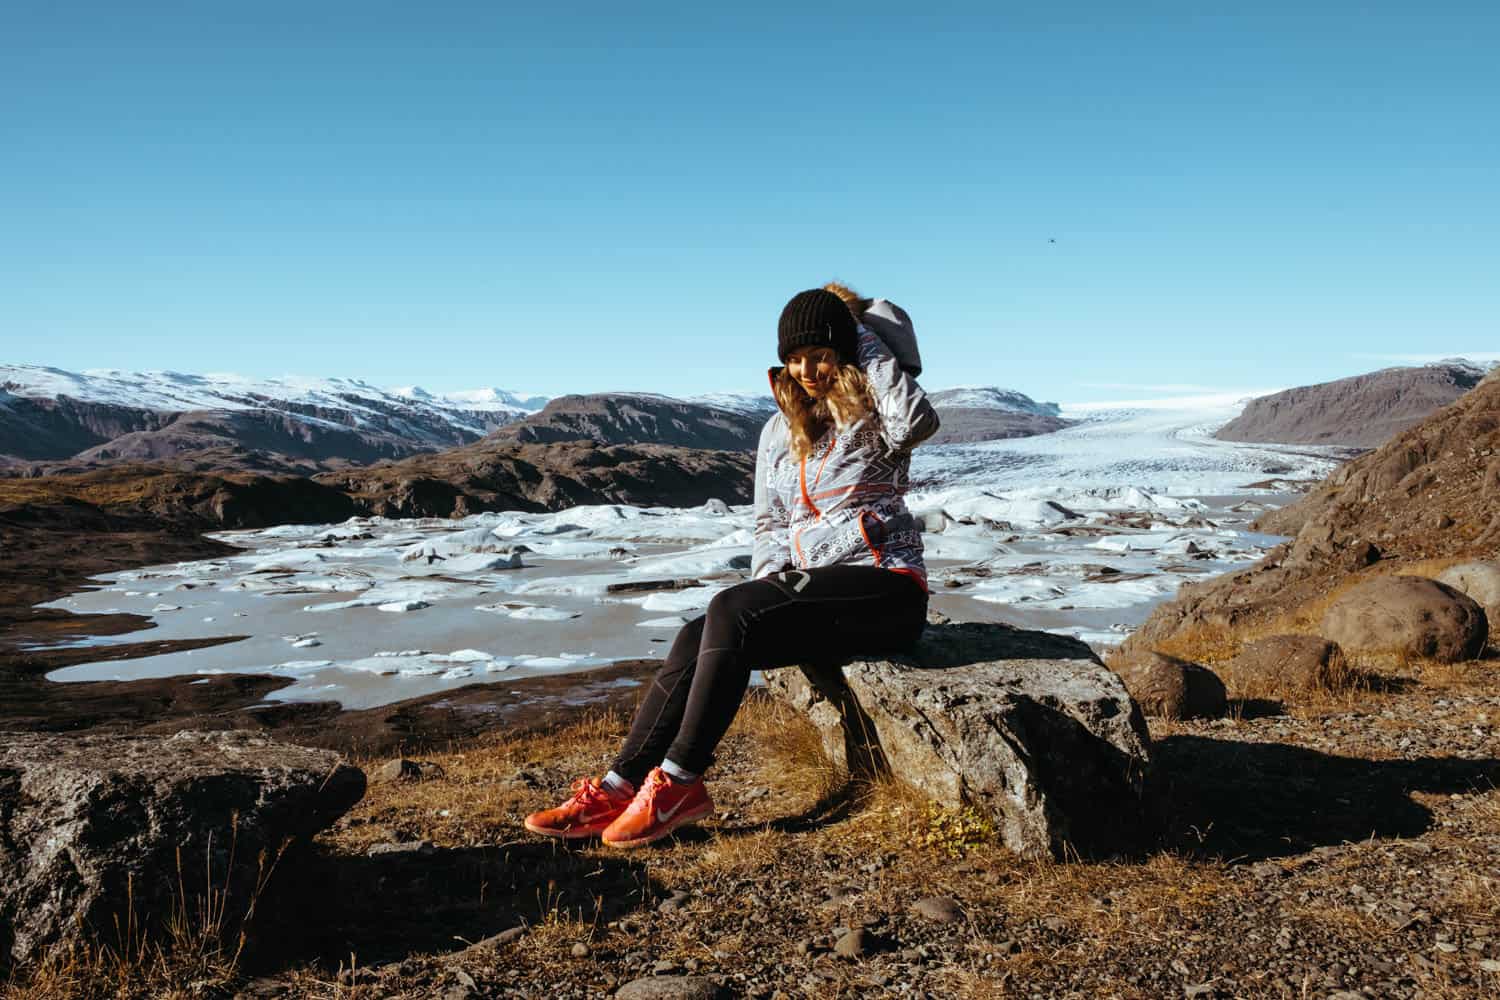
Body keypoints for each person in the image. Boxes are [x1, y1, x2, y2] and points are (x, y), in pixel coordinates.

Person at [523, 286, 940, 848]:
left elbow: (918, 422)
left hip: (885, 587)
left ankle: (679, 783)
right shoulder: (779, 429)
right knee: (701, 631)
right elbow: (770, 523)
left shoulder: (876, 408)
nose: (807, 369)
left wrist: (861, 336)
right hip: (819, 593)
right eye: (794, 357)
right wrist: (772, 585)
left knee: (730, 608)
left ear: (846, 350)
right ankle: (621, 784)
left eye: (820, 353)